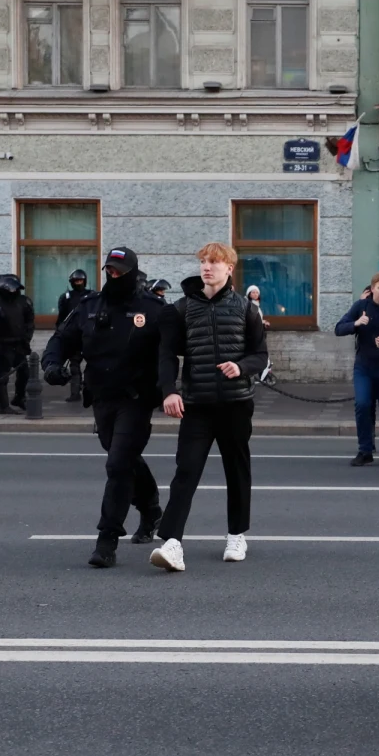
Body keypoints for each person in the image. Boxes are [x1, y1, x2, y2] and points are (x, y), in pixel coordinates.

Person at [149, 243, 269, 573]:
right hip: (197, 404)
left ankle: (236, 535)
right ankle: (172, 543)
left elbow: (261, 355)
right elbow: (166, 355)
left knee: (237, 471)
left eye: (214, 262)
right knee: (186, 472)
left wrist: (241, 367)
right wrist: (169, 392)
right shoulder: (180, 309)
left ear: (229, 268)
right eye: (203, 261)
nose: (207, 267)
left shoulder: (247, 309)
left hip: (236, 403)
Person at [42, 247, 166, 566]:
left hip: (136, 398)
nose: (113, 275)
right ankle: (151, 507)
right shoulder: (90, 305)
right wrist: (52, 365)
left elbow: (171, 351)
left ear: (132, 272)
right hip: (101, 396)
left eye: (119, 271)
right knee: (120, 456)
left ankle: (107, 540)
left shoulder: (151, 308)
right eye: (109, 270)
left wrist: (175, 389)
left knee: (118, 464)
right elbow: (61, 339)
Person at [335, 272, 379, 466]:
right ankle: (365, 451)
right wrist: (356, 324)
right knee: (363, 405)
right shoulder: (361, 306)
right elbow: (339, 328)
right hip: (364, 368)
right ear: (372, 289)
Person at [0, 274, 34, 415]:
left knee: (24, 373)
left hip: (19, 344)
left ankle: (19, 397)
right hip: (4, 345)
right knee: (2, 376)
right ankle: (3, 406)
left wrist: (26, 340)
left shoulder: (24, 302)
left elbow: (29, 322)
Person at [57, 269, 92, 402]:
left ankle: (90, 391)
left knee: (93, 366)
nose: (79, 283)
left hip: (89, 335)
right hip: (73, 336)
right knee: (74, 366)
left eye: (81, 281)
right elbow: (61, 318)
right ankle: (75, 393)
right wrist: (60, 334)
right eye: (76, 281)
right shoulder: (66, 297)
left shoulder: (91, 296)